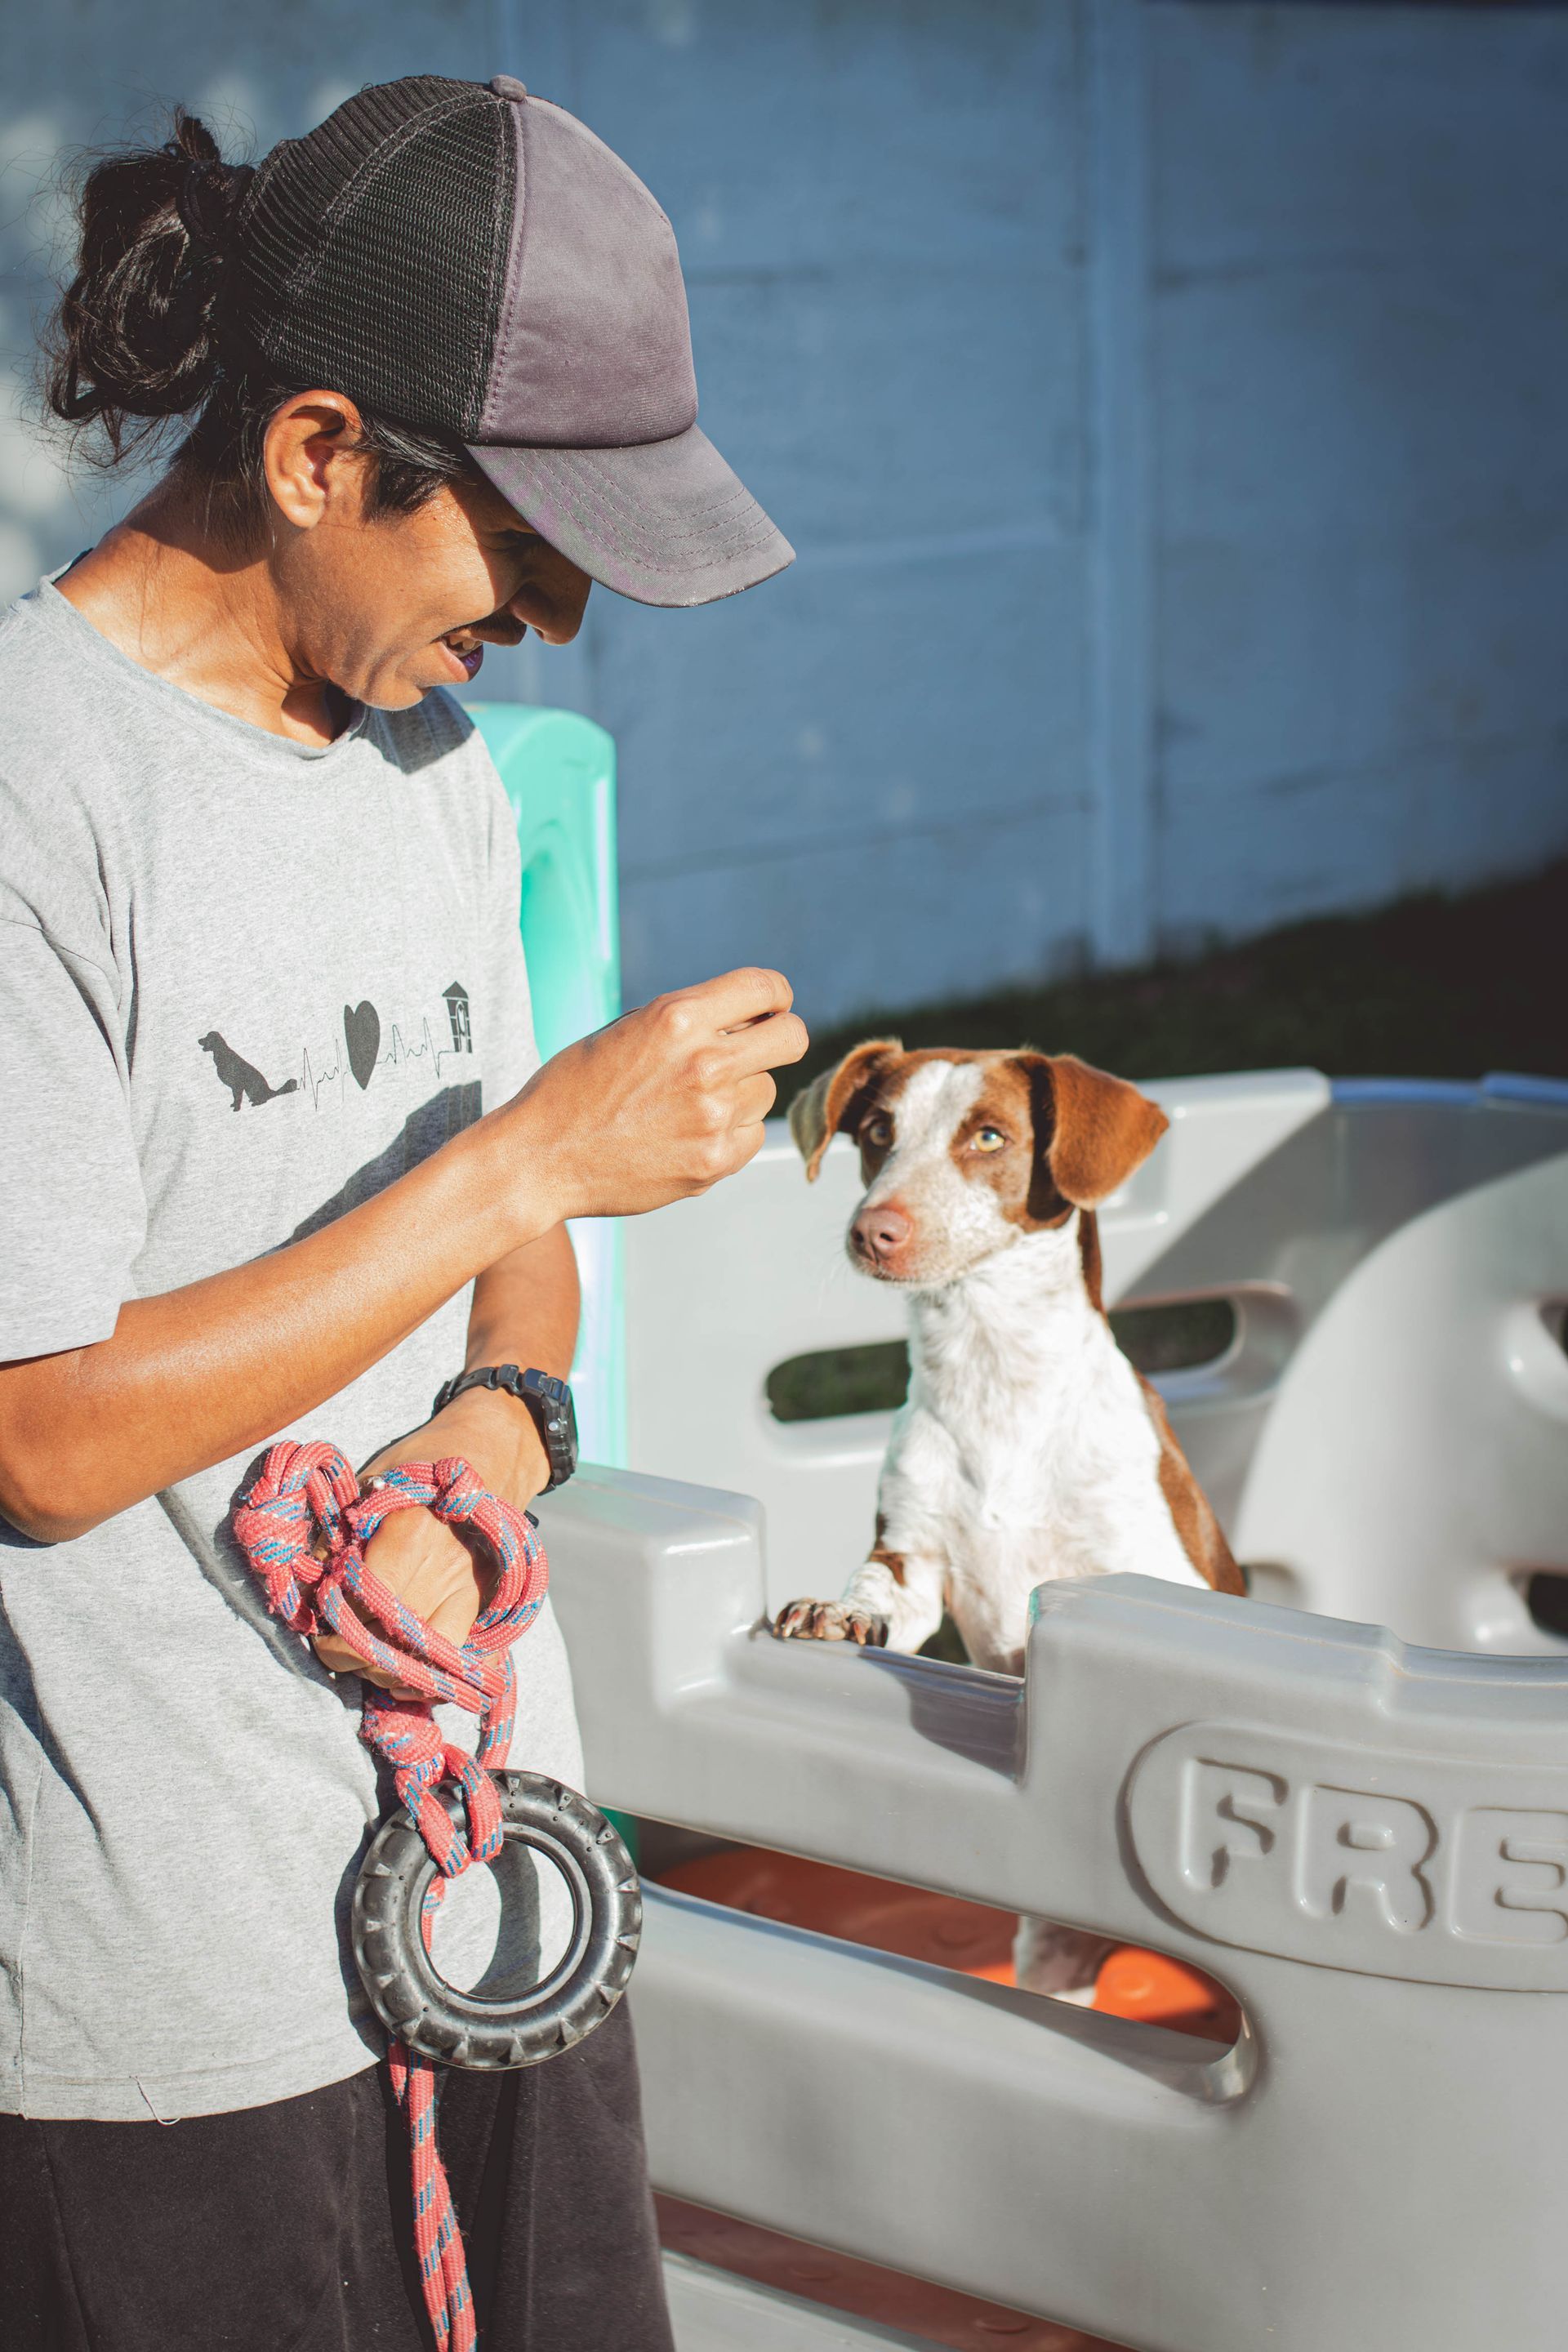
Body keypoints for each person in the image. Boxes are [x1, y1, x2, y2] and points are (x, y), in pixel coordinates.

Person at [0, 74, 804, 2352]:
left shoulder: (426, 763)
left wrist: (501, 1430)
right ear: (320, 455)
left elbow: (502, 1253)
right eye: (528, 540)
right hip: (176, 2018)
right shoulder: (36, 802)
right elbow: (38, 1435)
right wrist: (530, 1156)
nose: (557, 610)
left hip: (492, 1894)